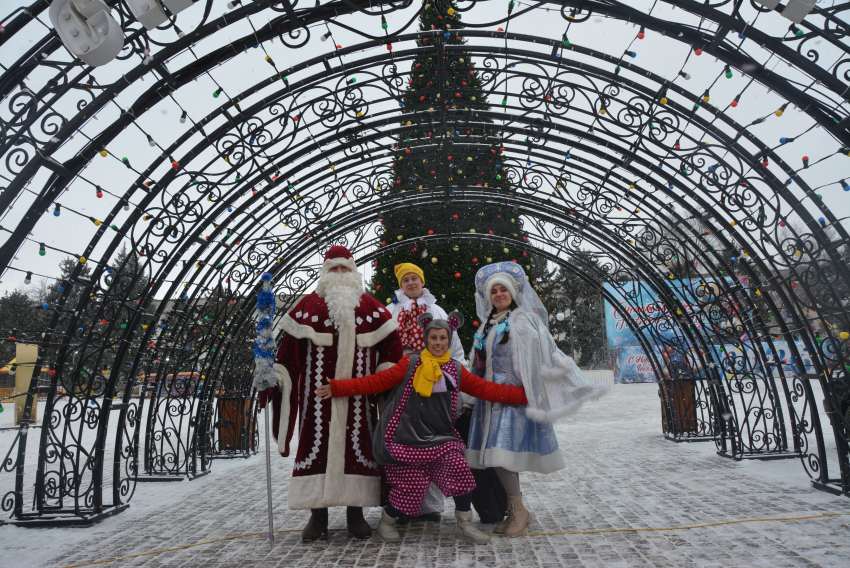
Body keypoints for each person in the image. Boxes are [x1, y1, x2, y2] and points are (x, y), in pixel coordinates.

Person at [315, 311, 528, 544]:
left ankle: (464, 525)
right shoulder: (410, 363)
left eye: (443, 338)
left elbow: (488, 390)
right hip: (404, 437)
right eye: (434, 338)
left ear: (449, 340)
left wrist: (525, 396)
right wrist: (338, 388)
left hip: (440, 437)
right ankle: (386, 522)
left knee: (459, 470)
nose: (438, 343)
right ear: (426, 340)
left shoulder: (455, 370)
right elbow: (376, 381)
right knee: (412, 489)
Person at [254, 245, 403, 541]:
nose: (339, 274)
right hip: (316, 404)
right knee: (315, 450)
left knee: (358, 452)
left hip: (359, 402)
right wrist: (274, 376)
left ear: (353, 272)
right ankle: (317, 515)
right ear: (325, 273)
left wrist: (383, 379)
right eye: (333, 269)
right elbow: (288, 358)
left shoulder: (372, 308)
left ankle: (355, 512)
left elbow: (392, 351)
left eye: (344, 269)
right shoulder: (307, 307)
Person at [466, 261, 608, 537]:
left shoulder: (524, 320)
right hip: (489, 401)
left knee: (502, 456)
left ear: (512, 293)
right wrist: (468, 398)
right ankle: (517, 510)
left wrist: (543, 388)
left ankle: (519, 511)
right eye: (493, 291)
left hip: (512, 401)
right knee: (498, 457)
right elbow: (478, 364)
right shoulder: (487, 325)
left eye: (503, 289)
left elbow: (543, 355)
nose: (498, 294)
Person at [386, 262, 466, 521]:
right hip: (402, 383)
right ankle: (406, 505)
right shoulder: (391, 311)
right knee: (406, 444)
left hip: (434, 385)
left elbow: (454, 349)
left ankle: (430, 506)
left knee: (433, 443)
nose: (411, 283)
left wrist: (460, 386)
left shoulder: (435, 309)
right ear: (401, 284)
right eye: (406, 280)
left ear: (422, 281)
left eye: (415, 279)